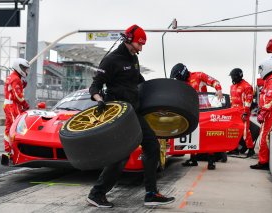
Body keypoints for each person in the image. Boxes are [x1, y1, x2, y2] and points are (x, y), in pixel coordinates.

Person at [87, 24, 175, 208]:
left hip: (135, 112)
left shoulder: (133, 59)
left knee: (152, 146)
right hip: (120, 114)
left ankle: (151, 194)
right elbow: (95, 86)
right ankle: (97, 193)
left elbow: (139, 81)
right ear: (128, 40)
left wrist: (160, 90)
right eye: (139, 44)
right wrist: (98, 99)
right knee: (121, 156)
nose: (140, 48)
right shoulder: (111, 60)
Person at [170, 63, 225, 170]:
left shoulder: (199, 75)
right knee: (192, 135)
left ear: (182, 73)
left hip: (205, 111)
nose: (177, 79)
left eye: (177, 76)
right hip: (191, 111)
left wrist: (218, 89)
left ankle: (211, 161)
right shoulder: (181, 84)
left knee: (207, 136)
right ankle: (193, 159)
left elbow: (214, 81)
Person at [2, 58, 30, 159]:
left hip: (7, 104)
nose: (26, 71)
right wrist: (25, 104)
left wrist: (22, 85)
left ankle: (8, 151)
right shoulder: (16, 79)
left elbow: (12, 90)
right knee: (16, 127)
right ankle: (15, 152)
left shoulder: (12, 76)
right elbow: (17, 96)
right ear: (19, 67)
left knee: (9, 128)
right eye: (24, 68)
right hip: (12, 105)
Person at [229, 68, 255, 157]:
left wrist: (245, 112)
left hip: (243, 112)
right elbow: (231, 100)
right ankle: (234, 149)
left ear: (238, 76)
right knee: (233, 131)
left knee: (245, 132)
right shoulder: (232, 86)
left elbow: (249, 101)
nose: (232, 78)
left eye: (233, 76)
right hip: (233, 112)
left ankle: (251, 149)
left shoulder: (247, 86)